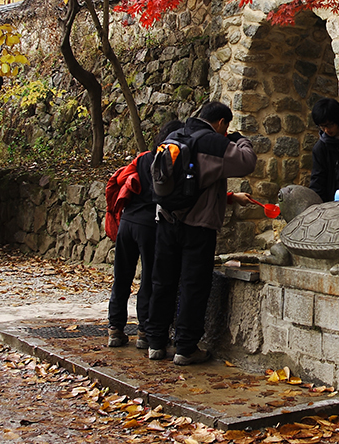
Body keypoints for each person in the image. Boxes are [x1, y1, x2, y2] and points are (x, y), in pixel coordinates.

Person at [146, 101, 256, 365]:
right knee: (193, 285)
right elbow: (247, 162)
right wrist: (240, 140)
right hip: (198, 225)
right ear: (220, 123)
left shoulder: (175, 136)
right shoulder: (212, 142)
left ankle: (155, 342)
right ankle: (186, 348)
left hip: (166, 219)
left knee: (163, 282)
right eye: (226, 126)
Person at [107, 119, 183, 349]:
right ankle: (144, 331)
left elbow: (119, 180)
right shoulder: (172, 160)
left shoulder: (142, 158)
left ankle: (115, 328)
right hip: (150, 226)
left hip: (127, 223)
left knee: (122, 276)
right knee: (149, 279)